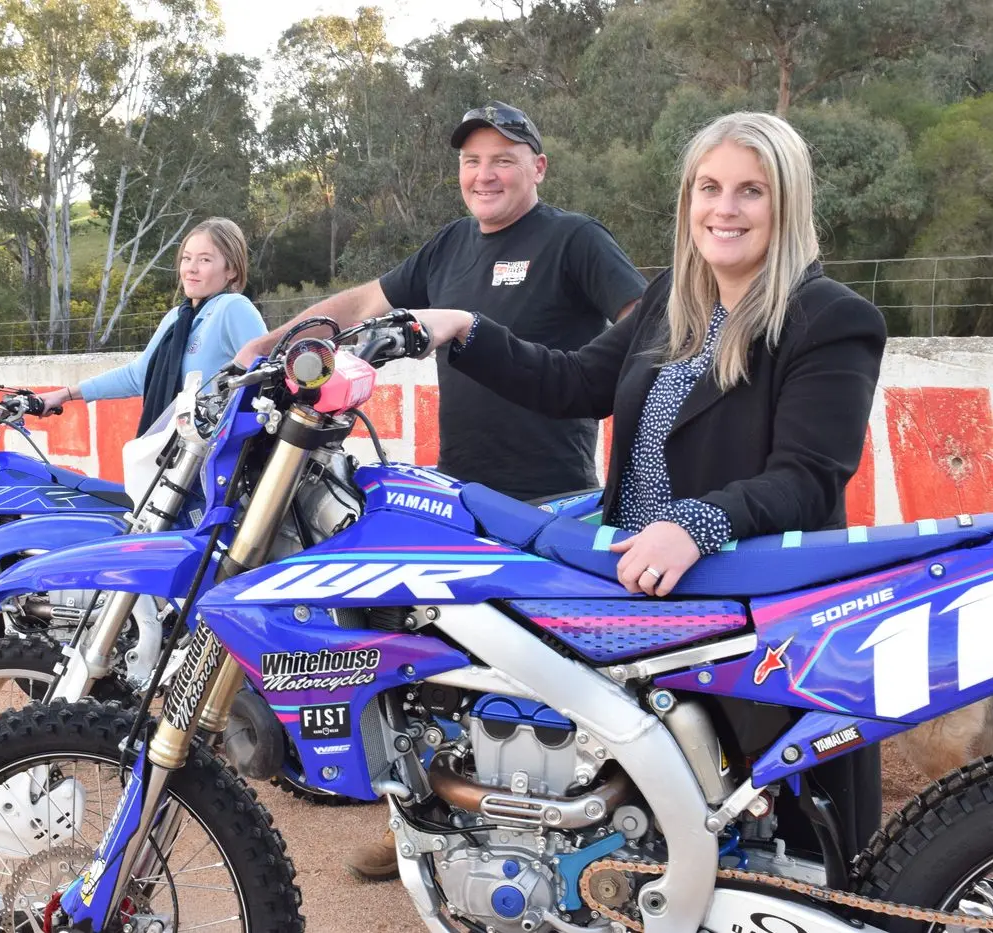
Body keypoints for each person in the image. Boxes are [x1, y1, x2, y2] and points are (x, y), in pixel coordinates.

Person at [414, 111, 886, 865]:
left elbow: (807, 476)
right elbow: (571, 381)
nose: (723, 209)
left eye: (749, 191)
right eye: (707, 187)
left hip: (746, 626)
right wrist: (467, 328)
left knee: (775, 859)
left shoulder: (829, 318)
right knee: (638, 835)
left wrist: (695, 523)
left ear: (786, 203)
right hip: (640, 611)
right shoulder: (673, 300)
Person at [240, 101, 645, 503]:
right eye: (472, 161)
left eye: (502, 161)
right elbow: (363, 304)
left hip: (550, 499)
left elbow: (648, 323)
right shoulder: (450, 244)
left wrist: (585, 380)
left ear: (538, 168)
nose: (484, 176)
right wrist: (266, 346)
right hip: (457, 495)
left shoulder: (576, 238)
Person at [38, 217, 266, 435]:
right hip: (173, 456)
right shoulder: (176, 318)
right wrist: (64, 395)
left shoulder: (232, 308)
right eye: (187, 259)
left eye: (205, 260)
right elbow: (137, 376)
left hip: (215, 458)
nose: (191, 269)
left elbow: (266, 378)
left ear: (232, 270)